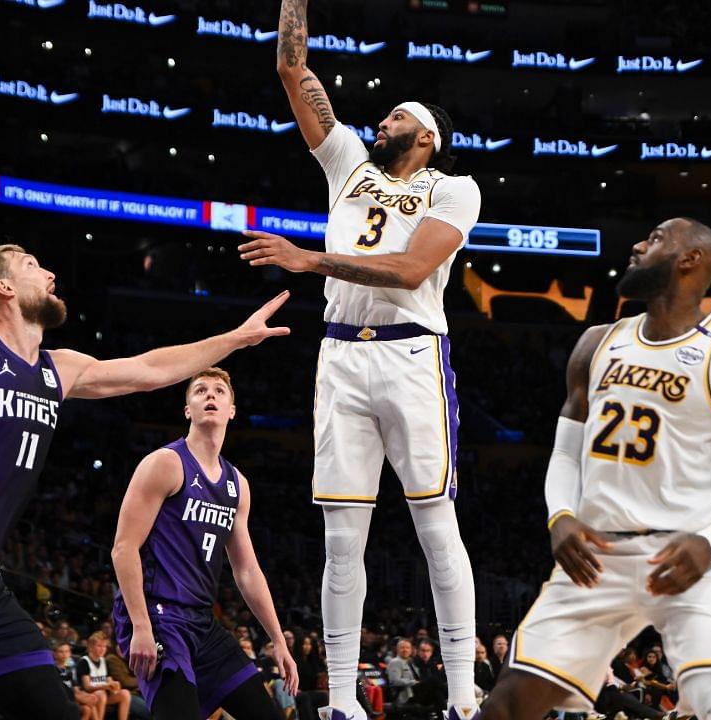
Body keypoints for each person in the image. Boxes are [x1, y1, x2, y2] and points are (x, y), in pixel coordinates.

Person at [0, 244, 290, 719]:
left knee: (52, 708)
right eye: (33, 265)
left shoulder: (59, 368)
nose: (50, 273)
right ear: (5, 288)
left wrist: (235, 339)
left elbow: (147, 370)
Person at [239, 4, 483, 720]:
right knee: (342, 534)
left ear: (427, 134)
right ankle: (341, 701)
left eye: (394, 118)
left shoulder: (452, 188)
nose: (380, 123)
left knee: (436, 522)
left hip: (412, 354)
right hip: (341, 354)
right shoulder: (347, 161)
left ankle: (464, 697)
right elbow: (292, 69)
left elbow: (411, 270)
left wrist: (308, 258)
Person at [482, 218, 711, 720]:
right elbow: (565, 453)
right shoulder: (596, 344)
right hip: (598, 554)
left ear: (691, 259)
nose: (638, 244)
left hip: (686, 553)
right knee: (507, 704)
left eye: (656, 238)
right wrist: (560, 516)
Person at [111, 367, 298, 720]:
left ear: (232, 410)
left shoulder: (237, 484)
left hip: (200, 621)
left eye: (219, 391)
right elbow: (123, 548)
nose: (210, 395)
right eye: (200, 391)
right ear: (188, 411)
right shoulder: (165, 463)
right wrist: (140, 626)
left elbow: (246, 570)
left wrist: (277, 639)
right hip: (158, 615)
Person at [77, 633, 133, 720]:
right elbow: (87, 687)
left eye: (104, 646)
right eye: (99, 646)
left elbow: (109, 680)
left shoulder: (104, 661)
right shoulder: (84, 662)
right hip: (90, 696)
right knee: (100, 694)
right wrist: (105, 686)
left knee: (125, 693)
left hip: (104, 695)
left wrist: (114, 685)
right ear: (91, 647)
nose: (102, 649)